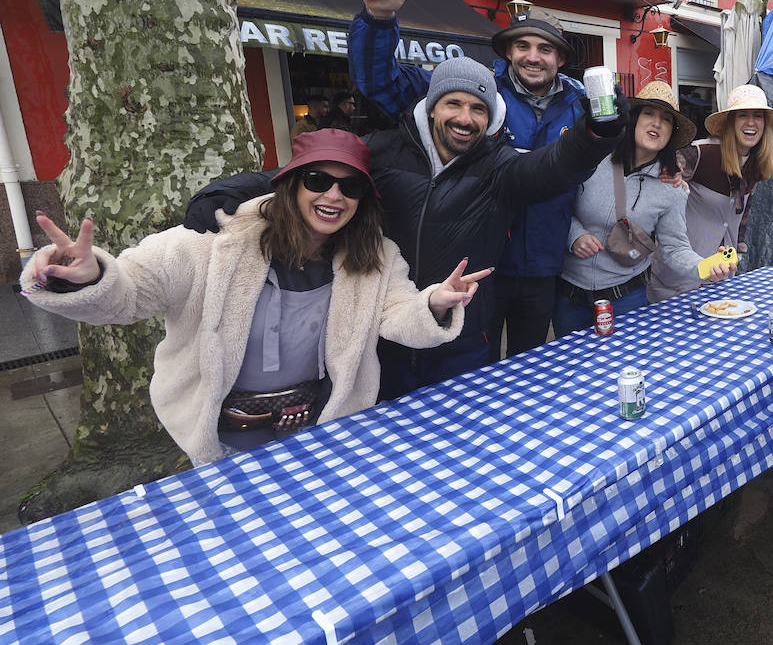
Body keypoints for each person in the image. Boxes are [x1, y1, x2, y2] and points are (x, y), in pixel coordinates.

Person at [22, 130, 489, 466]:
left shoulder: (375, 256)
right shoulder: (210, 242)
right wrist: (83, 278)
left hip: (321, 430)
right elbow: (130, 293)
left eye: (350, 187)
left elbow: (397, 313)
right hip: (222, 437)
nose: (333, 195)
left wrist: (434, 304)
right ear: (288, 184)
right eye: (317, 180)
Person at [184, 58, 624, 400]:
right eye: (454, 103)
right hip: (381, 328)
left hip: (464, 335)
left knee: (463, 443)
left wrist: (594, 133)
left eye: (477, 108)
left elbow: (553, 167)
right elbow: (311, 173)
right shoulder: (384, 150)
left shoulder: (500, 167)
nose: (465, 118)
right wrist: (229, 192)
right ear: (433, 108)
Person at [351, 0, 588, 361]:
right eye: (523, 46)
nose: (533, 56)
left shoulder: (581, 106)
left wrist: (671, 165)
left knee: (532, 367)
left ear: (559, 59)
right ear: (509, 52)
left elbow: (604, 166)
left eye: (545, 49)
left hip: (545, 264)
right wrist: (378, 22)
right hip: (478, 268)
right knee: (473, 367)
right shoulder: (475, 91)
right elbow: (383, 85)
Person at [554, 82, 736, 335]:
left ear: (671, 133)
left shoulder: (671, 187)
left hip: (627, 297)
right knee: (570, 366)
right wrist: (574, 235)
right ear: (633, 119)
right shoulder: (593, 158)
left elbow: (674, 248)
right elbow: (557, 205)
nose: (657, 123)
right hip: (569, 295)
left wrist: (706, 267)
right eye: (649, 113)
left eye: (666, 119)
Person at [646, 84, 773, 302]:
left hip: (722, 276)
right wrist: (673, 173)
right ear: (731, 122)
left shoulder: (756, 163)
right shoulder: (701, 153)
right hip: (680, 277)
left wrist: (738, 248)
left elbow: (743, 215)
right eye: (743, 115)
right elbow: (663, 170)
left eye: (757, 116)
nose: (751, 122)